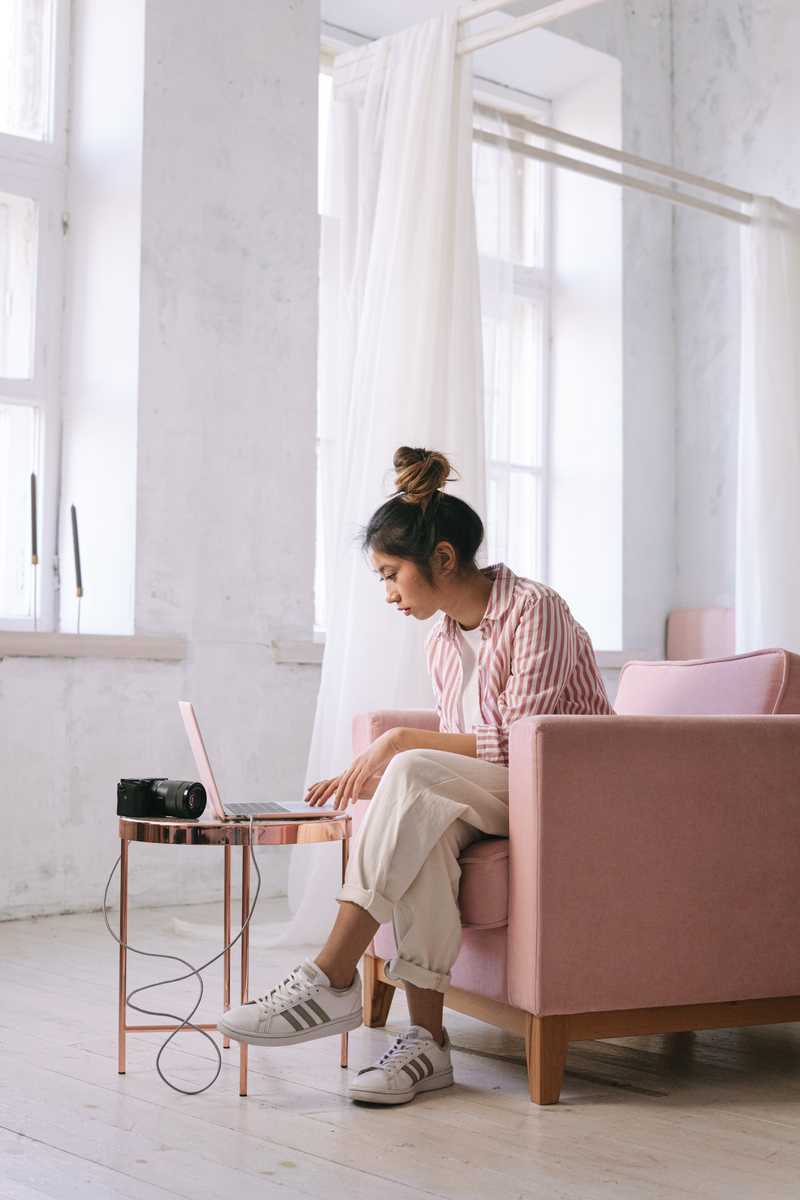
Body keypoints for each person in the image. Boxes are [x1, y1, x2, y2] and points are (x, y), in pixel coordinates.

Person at [218, 445, 615, 1105]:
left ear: (443, 559)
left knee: (413, 772)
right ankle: (428, 1046)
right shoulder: (442, 641)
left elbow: (528, 746)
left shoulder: (536, 610)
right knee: (422, 821)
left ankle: (332, 974)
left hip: (571, 791)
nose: (388, 592)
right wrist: (406, 762)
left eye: (390, 573)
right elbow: (477, 754)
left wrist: (404, 745)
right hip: (506, 793)